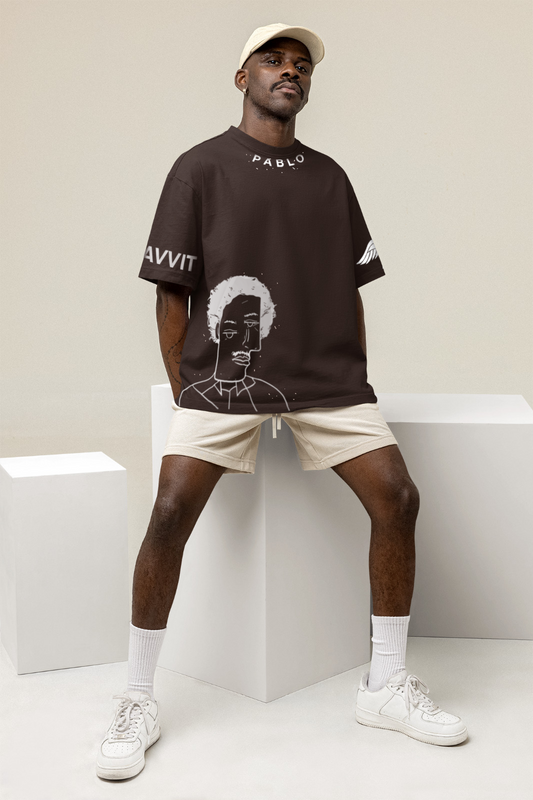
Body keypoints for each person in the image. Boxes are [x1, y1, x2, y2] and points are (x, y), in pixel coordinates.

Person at [96, 21, 468, 781]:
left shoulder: (330, 177)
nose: (289, 71)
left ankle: (385, 685)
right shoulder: (198, 168)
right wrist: (188, 390)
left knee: (398, 497)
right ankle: (136, 697)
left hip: (326, 381)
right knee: (169, 510)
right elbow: (171, 294)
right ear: (243, 78)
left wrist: (352, 376)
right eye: (273, 60)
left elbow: (354, 289)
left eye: (300, 65)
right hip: (217, 384)